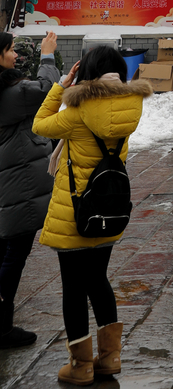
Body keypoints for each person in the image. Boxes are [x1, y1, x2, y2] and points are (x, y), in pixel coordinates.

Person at [32, 43, 152, 384]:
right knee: (98, 281)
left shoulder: (77, 110)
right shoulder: (129, 108)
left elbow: (39, 125)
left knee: (73, 287)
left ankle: (81, 365)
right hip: (109, 210)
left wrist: (61, 87)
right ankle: (110, 358)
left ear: (87, 73)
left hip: (75, 213)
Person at [0, 30, 61, 348]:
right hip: (16, 184)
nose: (14, 55)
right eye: (9, 50)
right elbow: (47, 90)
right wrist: (48, 54)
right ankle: (2, 325)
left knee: (5, 249)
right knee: (14, 252)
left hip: (7, 180)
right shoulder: (11, 93)